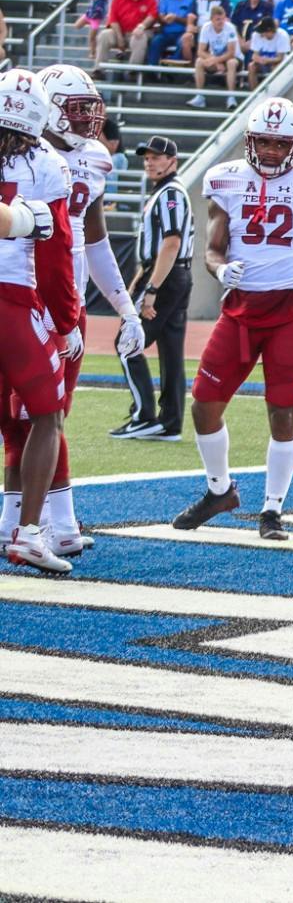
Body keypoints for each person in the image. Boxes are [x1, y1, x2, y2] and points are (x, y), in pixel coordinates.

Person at [172, 98, 293, 542]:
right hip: (240, 309)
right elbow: (213, 249)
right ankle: (220, 490)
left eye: (279, 143)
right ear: (249, 140)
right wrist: (219, 269)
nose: (269, 150)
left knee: (282, 412)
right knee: (204, 402)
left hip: (287, 311)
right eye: (263, 141)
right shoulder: (225, 179)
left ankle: (272, 510)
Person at [4, 68, 142, 558]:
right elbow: (56, 245)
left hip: (63, 298)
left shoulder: (95, 158)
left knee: (50, 413)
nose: (88, 117)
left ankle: (53, 522)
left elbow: (95, 242)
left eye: (90, 106)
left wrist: (125, 309)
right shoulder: (43, 160)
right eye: (78, 107)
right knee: (27, 417)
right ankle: (34, 525)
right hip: (35, 296)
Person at [0, 70, 80, 574]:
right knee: (45, 416)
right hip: (12, 300)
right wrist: (67, 320)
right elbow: (56, 256)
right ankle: (30, 532)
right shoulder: (48, 164)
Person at [115, 135, 194, 443]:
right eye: (146, 157)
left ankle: (144, 416)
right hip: (171, 274)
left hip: (167, 276)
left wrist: (151, 289)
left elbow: (171, 242)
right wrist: (140, 281)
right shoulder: (164, 191)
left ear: (172, 161)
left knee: (127, 342)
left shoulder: (170, 193)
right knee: (171, 351)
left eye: (156, 157)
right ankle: (170, 422)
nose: (149, 161)